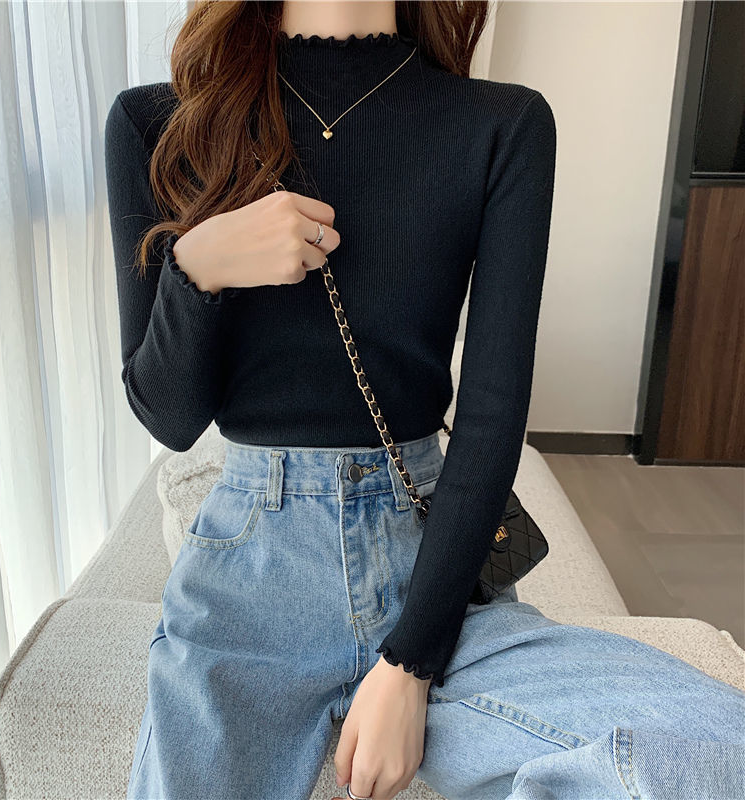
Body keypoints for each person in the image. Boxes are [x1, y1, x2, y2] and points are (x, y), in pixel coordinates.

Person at [104, 2, 745, 799]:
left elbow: (492, 416)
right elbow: (167, 417)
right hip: (249, 582)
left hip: (427, 556)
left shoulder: (501, 124)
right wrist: (195, 266)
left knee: (718, 749)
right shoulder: (158, 123)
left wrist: (411, 660)